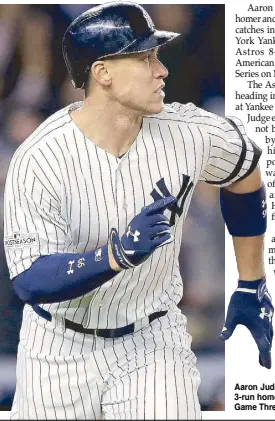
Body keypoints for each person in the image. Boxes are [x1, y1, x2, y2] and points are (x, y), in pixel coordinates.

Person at [4, 1, 273, 419]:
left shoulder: (189, 131)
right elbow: (30, 279)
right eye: (145, 59)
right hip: (57, 347)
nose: (161, 70)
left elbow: (245, 171)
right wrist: (116, 255)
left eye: (158, 57)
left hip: (151, 341)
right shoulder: (42, 156)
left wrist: (250, 282)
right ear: (102, 72)